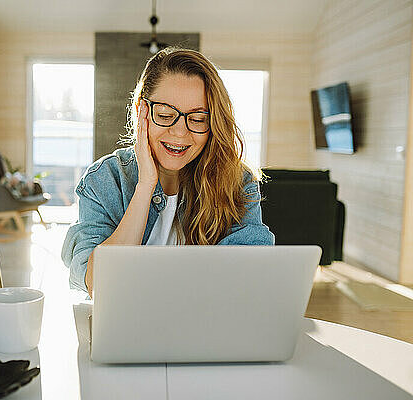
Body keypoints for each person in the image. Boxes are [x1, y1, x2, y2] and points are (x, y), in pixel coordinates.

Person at [61, 47, 274, 297]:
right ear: (143, 111)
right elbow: (98, 285)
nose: (180, 132)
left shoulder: (237, 181)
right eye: (165, 114)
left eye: (197, 119)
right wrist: (145, 186)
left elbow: (249, 274)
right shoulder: (104, 180)